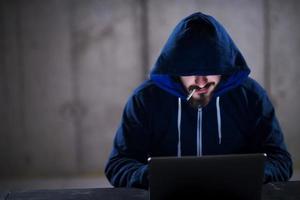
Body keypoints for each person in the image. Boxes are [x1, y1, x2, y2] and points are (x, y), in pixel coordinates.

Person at [104, 12, 293, 189]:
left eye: (210, 68)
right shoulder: (145, 100)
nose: (200, 82)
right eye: (190, 70)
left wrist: (253, 174)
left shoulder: (251, 97)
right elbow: (118, 163)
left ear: (225, 66)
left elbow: (280, 160)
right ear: (175, 69)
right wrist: (150, 176)